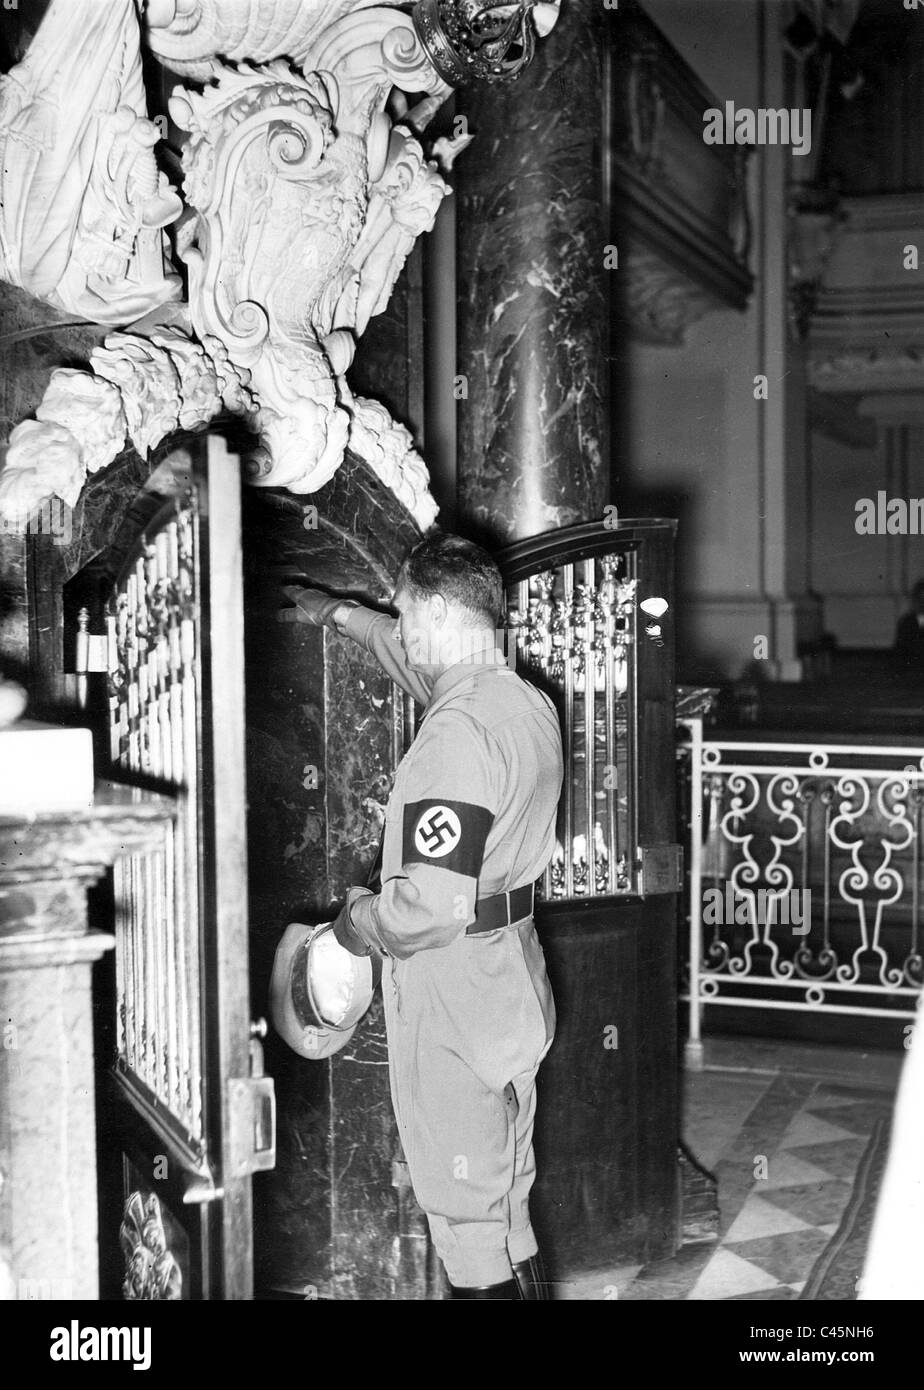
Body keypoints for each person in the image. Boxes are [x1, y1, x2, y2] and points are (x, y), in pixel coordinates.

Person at [282, 532, 563, 1299]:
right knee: (505, 1205)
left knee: (464, 1222)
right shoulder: (518, 700)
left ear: (440, 610)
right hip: (510, 978)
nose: (400, 627)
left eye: (406, 612)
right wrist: (336, 613)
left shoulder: (454, 734)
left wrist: (350, 925)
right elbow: (406, 655)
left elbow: (427, 910)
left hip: (451, 993)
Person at [892, 579, 924, 674]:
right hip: (912, 672)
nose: (922, 603)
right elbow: (900, 651)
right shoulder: (906, 622)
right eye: (920, 599)